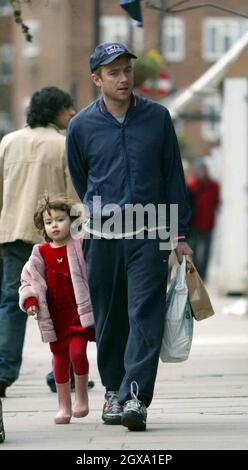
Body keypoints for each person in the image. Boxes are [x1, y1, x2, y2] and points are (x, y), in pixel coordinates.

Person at [66, 42, 192, 431]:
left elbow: (173, 174)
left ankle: (136, 396)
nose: (123, 78)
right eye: (113, 72)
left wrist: (179, 233)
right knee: (109, 318)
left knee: (144, 315)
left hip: (150, 233)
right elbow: (81, 178)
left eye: (127, 71)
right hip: (103, 236)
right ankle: (113, 392)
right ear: (96, 79)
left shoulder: (156, 117)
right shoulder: (81, 126)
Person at [0, 86, 76, 398]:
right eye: (67, 108)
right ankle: (62, 372)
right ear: (55, 110)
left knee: (10, 302)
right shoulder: (63, 144)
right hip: (53, 239)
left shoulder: (8, 142)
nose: (71, 113)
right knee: (63, 305)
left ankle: (3, 370)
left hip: (13, 233)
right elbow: (73, 196)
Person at [19, 195, 95, 424]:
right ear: (43, 226)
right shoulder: (39, 252)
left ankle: (81, 397)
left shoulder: (79, 246)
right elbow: (29, 281)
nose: (54, 225)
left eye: (60, 219)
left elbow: (93, 267)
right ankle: (64, 406)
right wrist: (31, 302)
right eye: (49, 221)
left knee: (77, 353)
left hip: (77, 314)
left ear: (71, 222)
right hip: (55, 317)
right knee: (59, 360)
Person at [187, 160, 220, 281]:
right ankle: (196, 273)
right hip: (195, 224)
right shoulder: (192, 186)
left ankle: (203, 274)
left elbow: (216, 202)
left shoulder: (214, 185)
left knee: (206, 251)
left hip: (208, 222)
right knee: (193, 250)